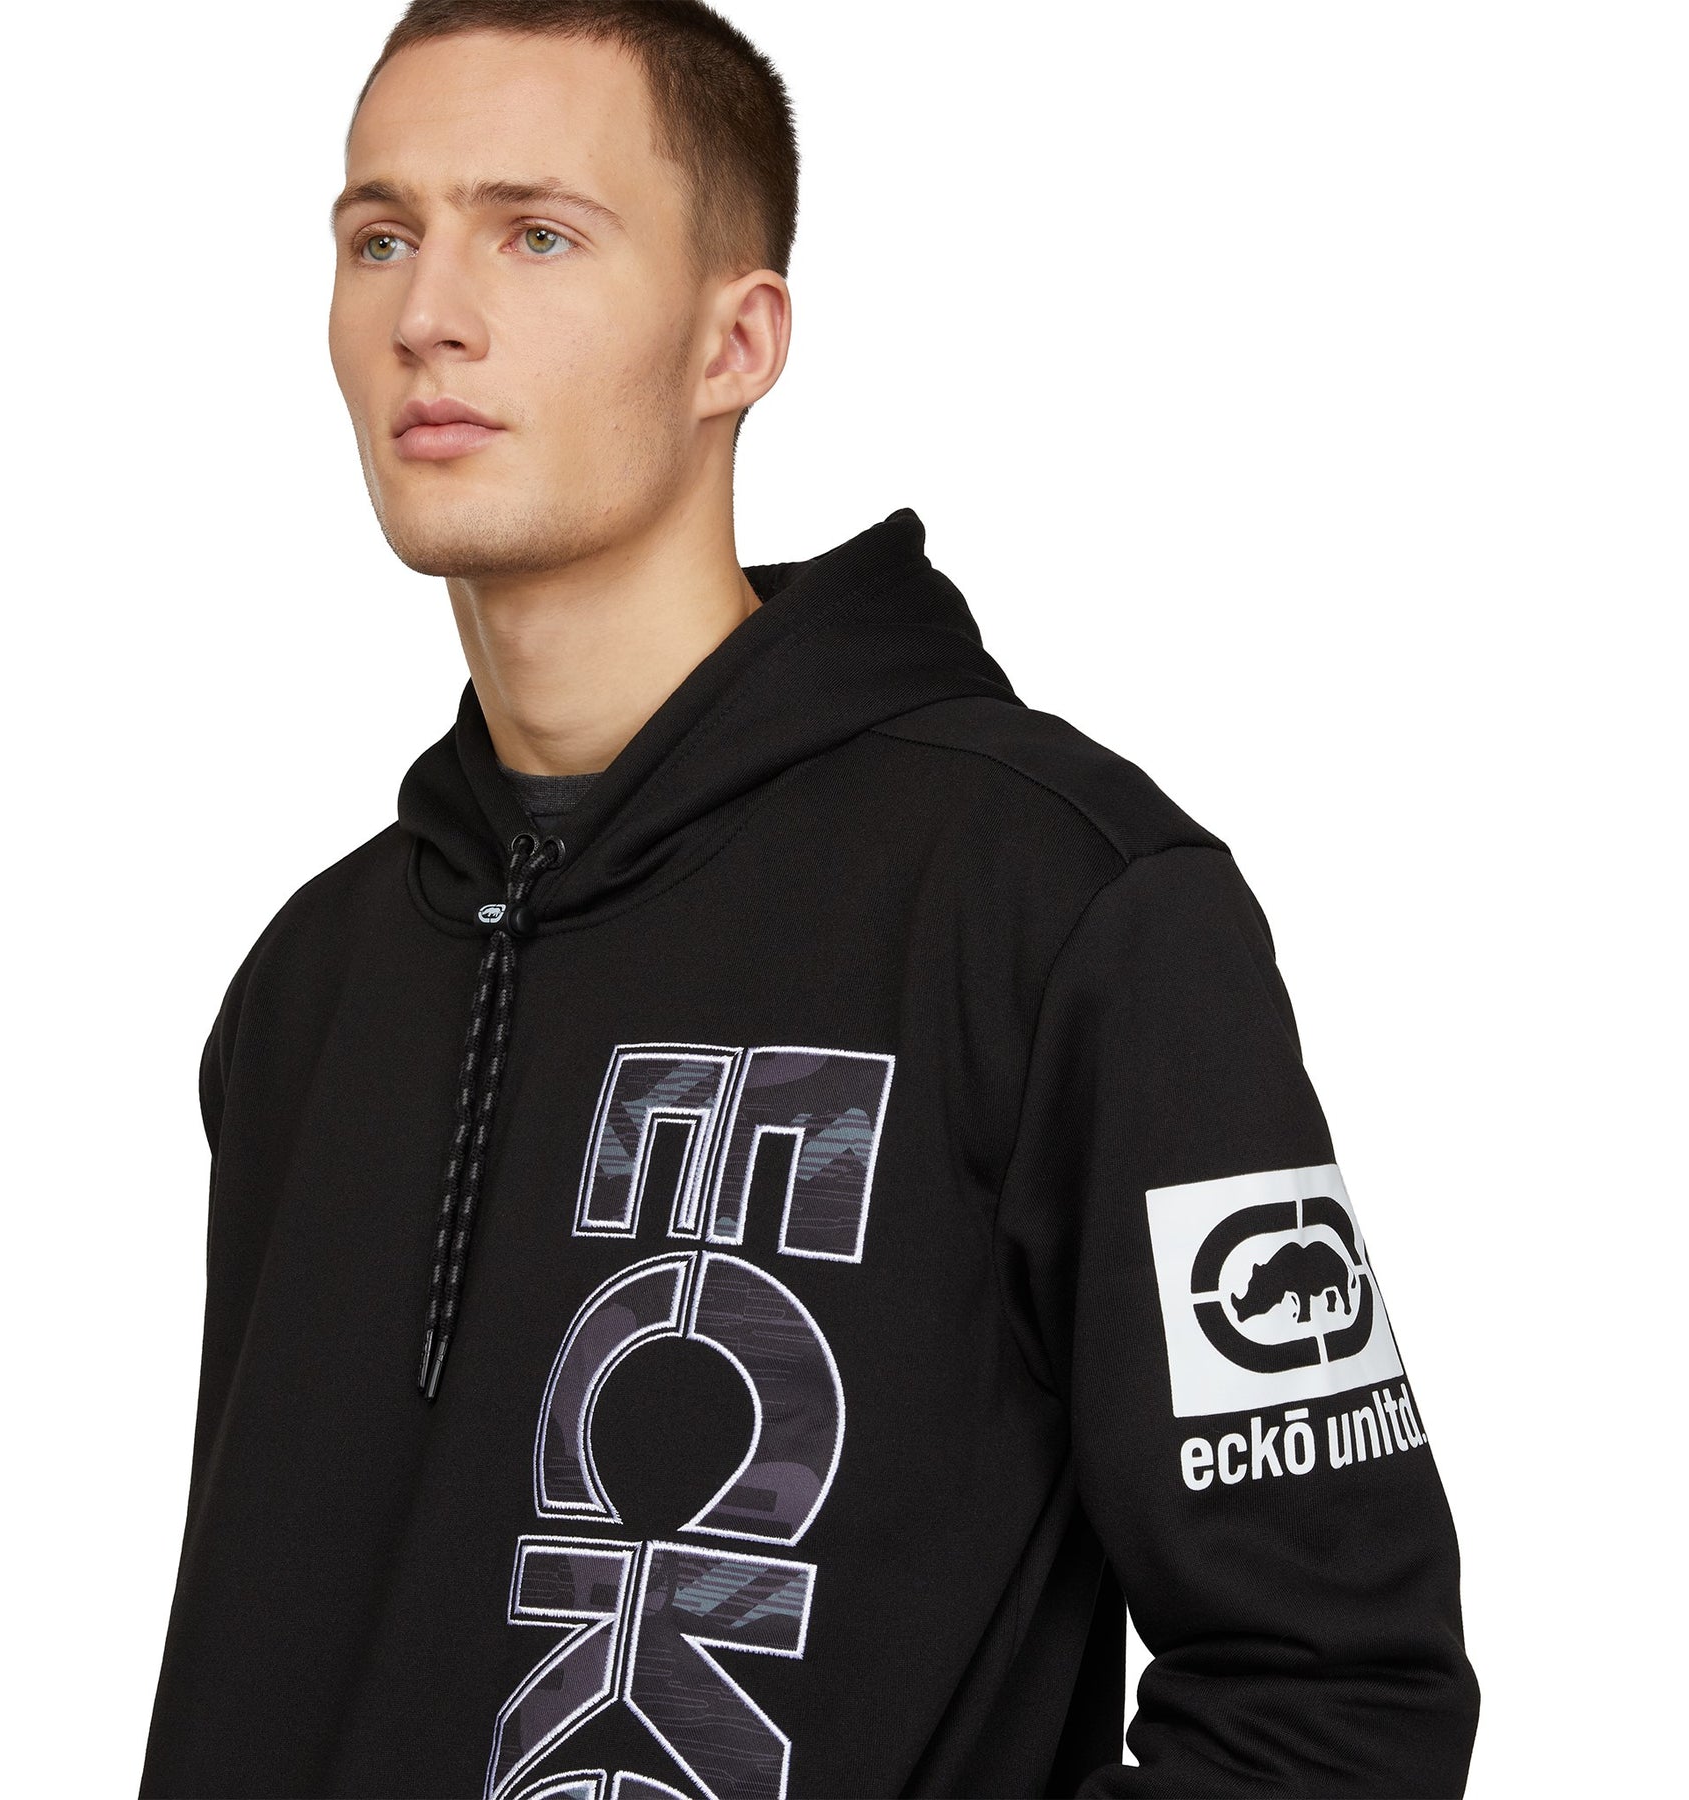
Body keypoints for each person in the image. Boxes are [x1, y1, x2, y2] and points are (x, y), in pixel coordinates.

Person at [139, 4, 1481, 1796]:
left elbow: (1339, 1698)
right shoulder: (313, 982)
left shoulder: (1056, 904)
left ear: (734, 342)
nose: (426, 313)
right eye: (381, 237)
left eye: (537, 235)